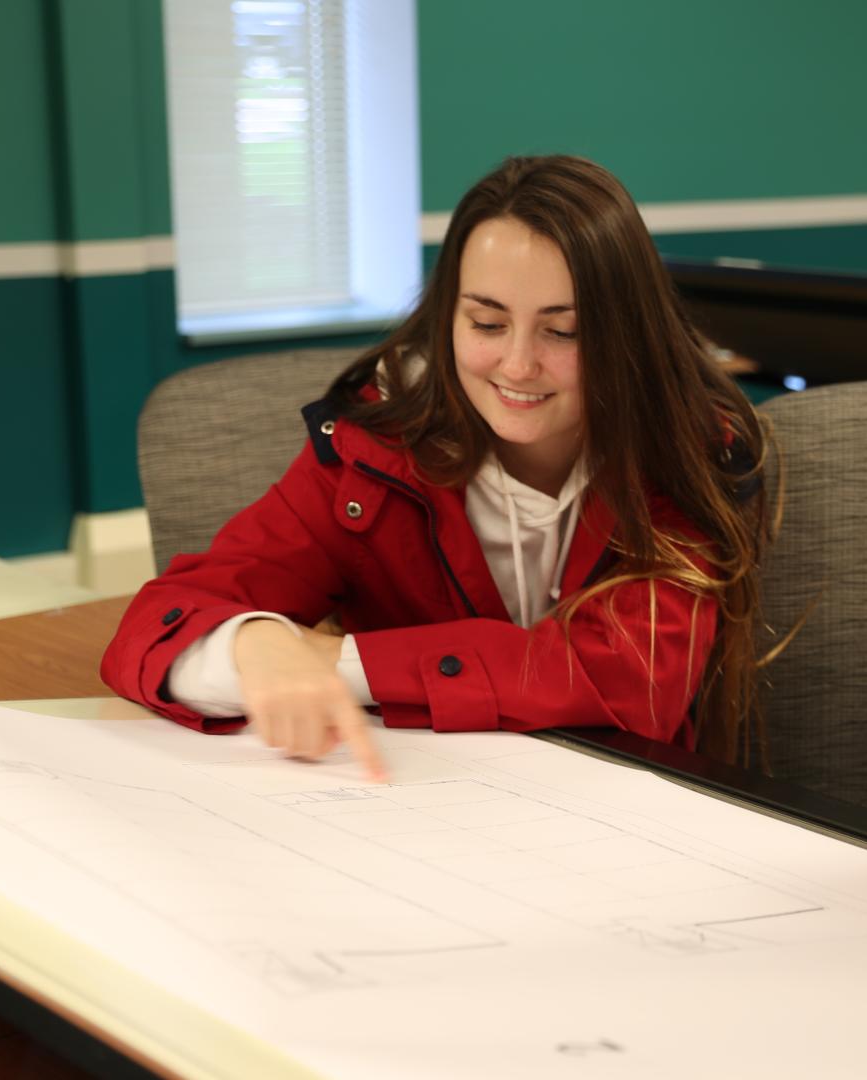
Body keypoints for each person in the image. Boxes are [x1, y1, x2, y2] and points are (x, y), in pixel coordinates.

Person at [100, 155, 770, 779]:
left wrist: (336, 662)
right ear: (446, 318)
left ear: (625, 335)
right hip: (418, 807)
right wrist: (252, 644)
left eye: (563, 331)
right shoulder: (370, 455)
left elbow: (628, 680)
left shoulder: (682, 452)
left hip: (636, 817)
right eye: (486, 323)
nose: (518, 365)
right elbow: (158, 623)